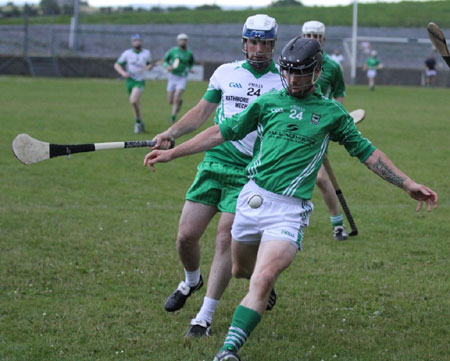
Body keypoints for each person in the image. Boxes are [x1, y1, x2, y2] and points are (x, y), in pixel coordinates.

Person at [143, 37, 438, 361]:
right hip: (252, 198)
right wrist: (174, 153)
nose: (294, 80)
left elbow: (366, 152)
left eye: (302, 73)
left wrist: (406, 182)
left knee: (263, 277)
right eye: (289, 72)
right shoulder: (268, 102)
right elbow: (220, 132)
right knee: (243, 271)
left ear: (317, 71)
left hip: (290, 210)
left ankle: (228, 351)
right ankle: (252, 289)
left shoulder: (331, 113)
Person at [152, 15, 283, 337]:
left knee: (225, 236)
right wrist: (171, 132)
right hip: (213, 163)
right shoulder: (226, 73)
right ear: (244, 42)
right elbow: (201, 112)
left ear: (273, 45)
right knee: (186, 236)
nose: (259, 49)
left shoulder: (283, 81)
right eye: (253, 41)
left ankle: (204, 317)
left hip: (251, 171)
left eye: (265, 42)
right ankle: (191, 281)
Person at [302, 20, 348, 240]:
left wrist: (334, 118)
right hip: (292, 123)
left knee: (320, 178)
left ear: (323, 39)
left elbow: (338, 95)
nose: (313, 40)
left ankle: (337, 224)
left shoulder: (333, 67)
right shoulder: (293, 61)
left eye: (317, 36)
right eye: (309, 35)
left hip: (318, 126)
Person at [114, 34, 153, 134]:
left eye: (139, 40)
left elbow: (150, 64)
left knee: (133, 100)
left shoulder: (146, 53)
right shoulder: (127, 53)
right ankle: (139, 122)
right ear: (132, 42)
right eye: (135, 41)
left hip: (139, 81)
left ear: (141, 42)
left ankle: (138, 122)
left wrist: (149, 67)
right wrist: (123, 73)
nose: (137, 42)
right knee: (136, 103)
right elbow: (117, 64)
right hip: (130, 81)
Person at [163, 33, 195, 123]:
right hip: (172, 76)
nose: (183, 42)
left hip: (182, 77)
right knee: (170, 100)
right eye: (181, 40)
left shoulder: (189, 54)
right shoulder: (172, 51)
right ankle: (179, 101)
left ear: (187, 41)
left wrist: (190, 69)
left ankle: (173, 117)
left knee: (176, 96)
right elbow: (165, 61)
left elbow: (191, 63)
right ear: (178, 41)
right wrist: (167, 66)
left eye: (184, 40)